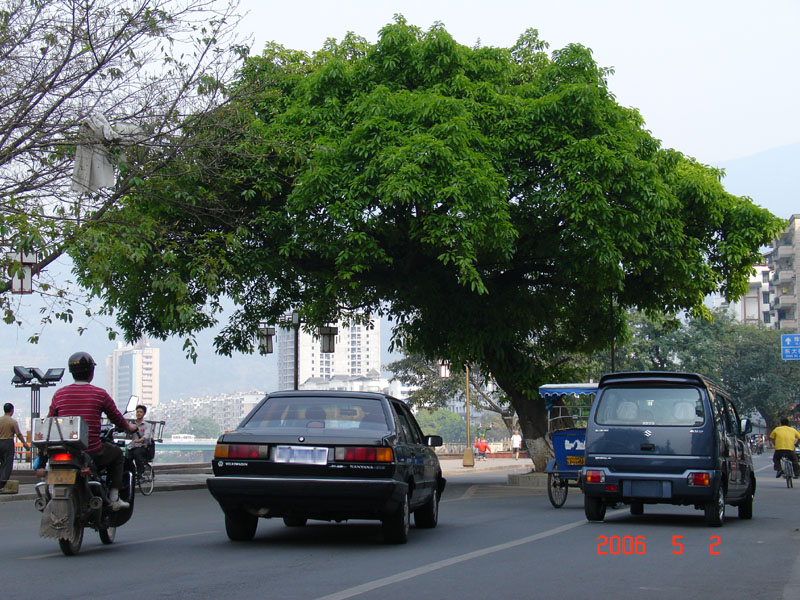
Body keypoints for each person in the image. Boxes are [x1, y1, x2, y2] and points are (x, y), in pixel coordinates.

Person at [48, 352, 137, 510]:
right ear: (91, 372)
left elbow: (50, 420)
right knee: (117, 454)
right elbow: (116, 417)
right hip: (91, 449)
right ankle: (114, 497)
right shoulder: (99, 394)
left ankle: (50, 492)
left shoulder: (59, 394)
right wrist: (129, 427)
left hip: (65, 448)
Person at [0, 403, 30, 493]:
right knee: (7, 463)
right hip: (8, 442)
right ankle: (2, 483)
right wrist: (24, 443)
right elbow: (19, 434)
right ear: (12, 410)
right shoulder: (12, 422)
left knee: (1, 463)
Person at [127, 404, 152, 475]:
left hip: (142, 446)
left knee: (137, 454)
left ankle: (140, 474)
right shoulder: (132, 424)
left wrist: (140, 440)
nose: (138, 413)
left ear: (144, 414)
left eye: (140, 412)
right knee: (126, 458)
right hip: (132, 446)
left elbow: (147, 435)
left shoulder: (147, 425)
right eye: (137, 412)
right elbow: (129, 435)